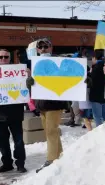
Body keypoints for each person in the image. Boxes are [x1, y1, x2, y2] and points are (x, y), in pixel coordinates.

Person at [26, 38, 69, 173]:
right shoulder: (34, 64)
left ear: (51, 48)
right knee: (50, 131)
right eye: (41, 47)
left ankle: (51, 160)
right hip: (42, 103)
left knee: (51, 130)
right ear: (37, 50)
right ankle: (59, 156)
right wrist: (30, 82)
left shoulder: (59, 62)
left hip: (55, 102)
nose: (43, 49)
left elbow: (69, 77)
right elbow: (33, 85)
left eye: (46, 46)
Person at [0, 49, 27, 173]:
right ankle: (7, 163)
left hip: (15, 112)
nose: (3, 59)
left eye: (5, 57)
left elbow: (28, 85)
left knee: (18, 140)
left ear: (9, 58)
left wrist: (28, 76)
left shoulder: (18, 71)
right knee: (2, 141)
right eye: (0, 57)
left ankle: (20, 164)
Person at [89, 50, 105, 126]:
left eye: (92, 58)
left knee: (98, 117)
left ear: (95, 58)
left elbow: (90, 81)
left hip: (96, 96)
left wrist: (89, 74)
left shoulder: (95, 68)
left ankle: (100, 133)